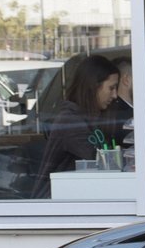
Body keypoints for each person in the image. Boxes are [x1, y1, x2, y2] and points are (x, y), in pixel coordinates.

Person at [32, 54, 120, 198]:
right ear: (94, 86)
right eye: (111, 88)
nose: (115, 95)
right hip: (53, 203)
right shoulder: (70, 121)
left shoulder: (93, 118)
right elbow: (101, 161)